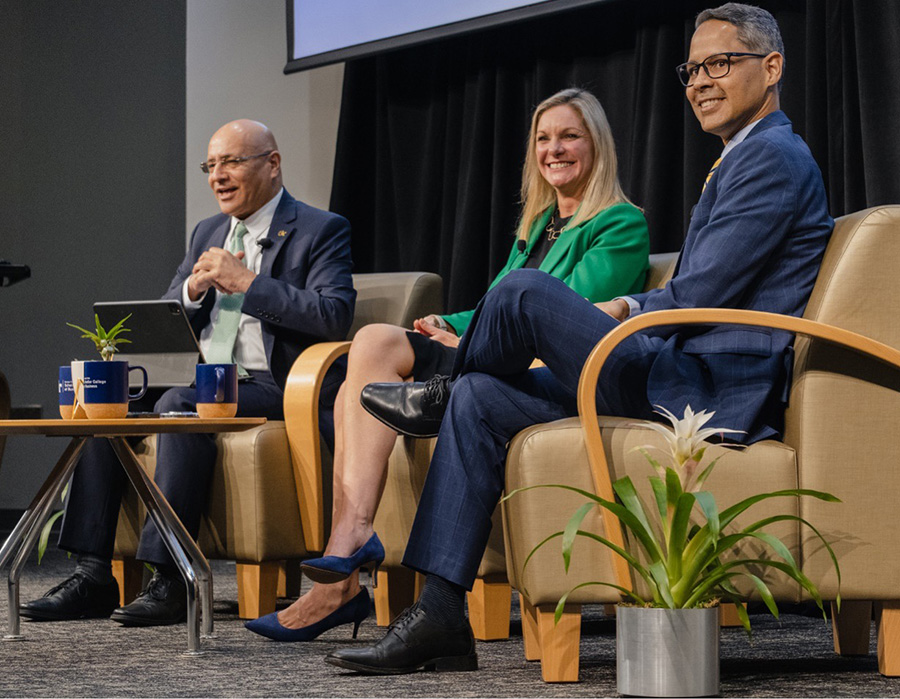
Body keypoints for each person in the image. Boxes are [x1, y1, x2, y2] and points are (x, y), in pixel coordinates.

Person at [331, 3, 834, 674]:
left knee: (523, 292)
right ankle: (443, 611)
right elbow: (698, 291)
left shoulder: (772, 156)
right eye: (693, 68)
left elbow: (700, 297)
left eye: (721, 63)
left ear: (771, 68)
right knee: (481, 396)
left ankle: (439, 392)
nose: (700, 81)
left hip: (702, 389)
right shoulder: (740, 158)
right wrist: (632, 306)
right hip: (673, 365)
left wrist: (626, 306)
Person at [243, 88, 650, 641]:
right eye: (544, 138)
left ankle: (338, 578)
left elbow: (560, 314)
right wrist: (451, 324)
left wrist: (468, 340)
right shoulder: (536, 228)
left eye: (569, 136)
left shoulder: (620, 224)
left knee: (352, 388)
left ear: (597, 144)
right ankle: (352, 536)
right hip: (490, 349)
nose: (554, 149)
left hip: (539, 366)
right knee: (374, 343)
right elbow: (492, 304)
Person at [22, 119, 355, 626]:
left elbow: (332, 315)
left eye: (232, 162)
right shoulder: (209, 231)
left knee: (179, 401)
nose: (218, 176)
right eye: (211, 165)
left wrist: (246, 282)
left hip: (274, 386)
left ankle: (172, 577)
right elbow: (165, 312)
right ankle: (93, 574)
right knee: (104, 396)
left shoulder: (320, 229)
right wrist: (192, 293)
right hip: (202, 377)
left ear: (273, 163)